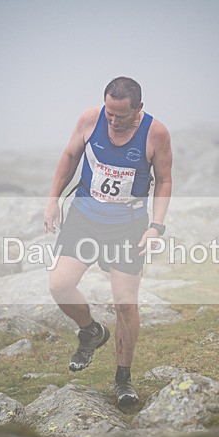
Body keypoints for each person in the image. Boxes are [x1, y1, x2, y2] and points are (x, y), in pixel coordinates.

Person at [44, 76, 173, 406]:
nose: (113, 121)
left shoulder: (155, 133)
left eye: (122, 116)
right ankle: (90, 330)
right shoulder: (90, 119)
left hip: (128, 226)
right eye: (109, 113)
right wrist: (52, 199)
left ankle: (123, 379)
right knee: (59, 284)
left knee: (125, 303)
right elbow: (70, 156)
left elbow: (164, 181)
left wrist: (156, 226)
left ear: (138, 109)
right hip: (85, 218)